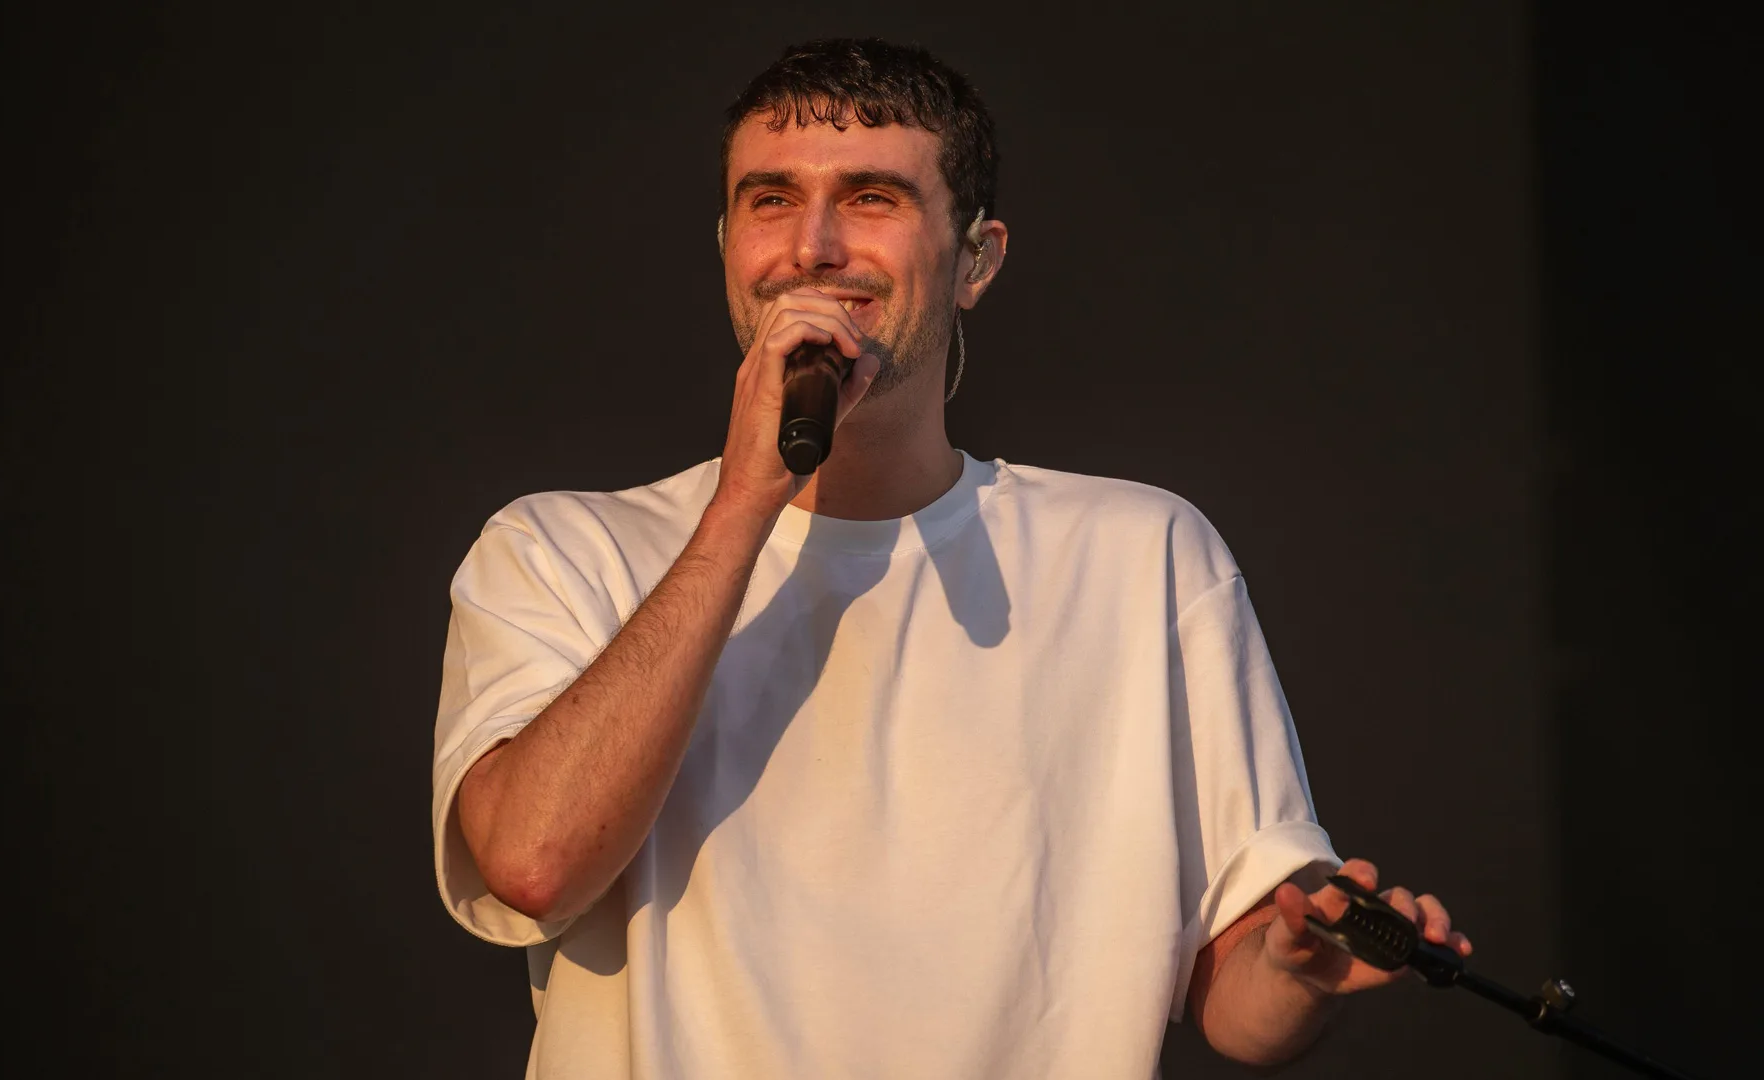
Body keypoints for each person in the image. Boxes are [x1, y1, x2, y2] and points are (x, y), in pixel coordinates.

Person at [430, 37, 1473, 1079]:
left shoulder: (1141, 556)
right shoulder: (560, 551)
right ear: (726, 247)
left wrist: (1295, 970)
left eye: (871, 198)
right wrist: (747, 503)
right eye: (771, 200)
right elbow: (532, 863)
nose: (813, 246)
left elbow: (1237, 1003)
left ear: (977, 259)